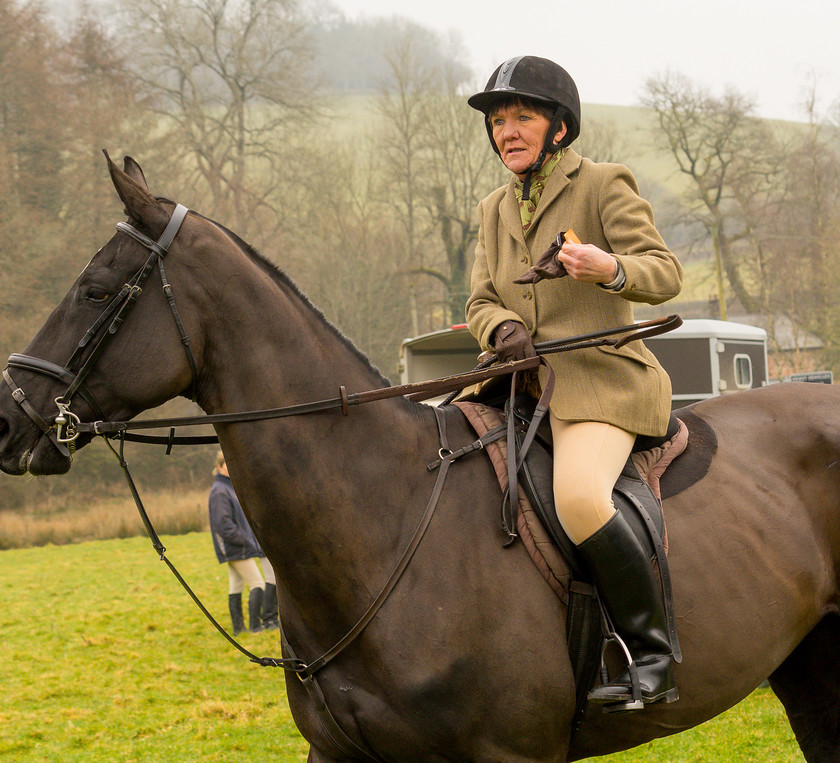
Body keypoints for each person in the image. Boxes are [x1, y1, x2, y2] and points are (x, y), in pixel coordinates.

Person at [466, 56, 683, 710]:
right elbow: (478, 299)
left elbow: (665, 273)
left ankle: (653, 657)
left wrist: (607, 267)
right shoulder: (492, 209)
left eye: (522, 116)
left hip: (600, 382)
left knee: (583, 499)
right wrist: (502, 327)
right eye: (498, 121)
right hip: (521, 385)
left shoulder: (602, 184)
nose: (507, 130)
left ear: (558, 126)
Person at [208, 451, 280, 634]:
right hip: (236, 547)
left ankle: (239, 629)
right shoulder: (220, 491)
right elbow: (223, 525)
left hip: (237, 547)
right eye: (226, 465)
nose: (230, 468)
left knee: (236, 585)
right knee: (258, 584)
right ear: (219, 467)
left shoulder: (230, 488)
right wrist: (247, 541)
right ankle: (256, 627)